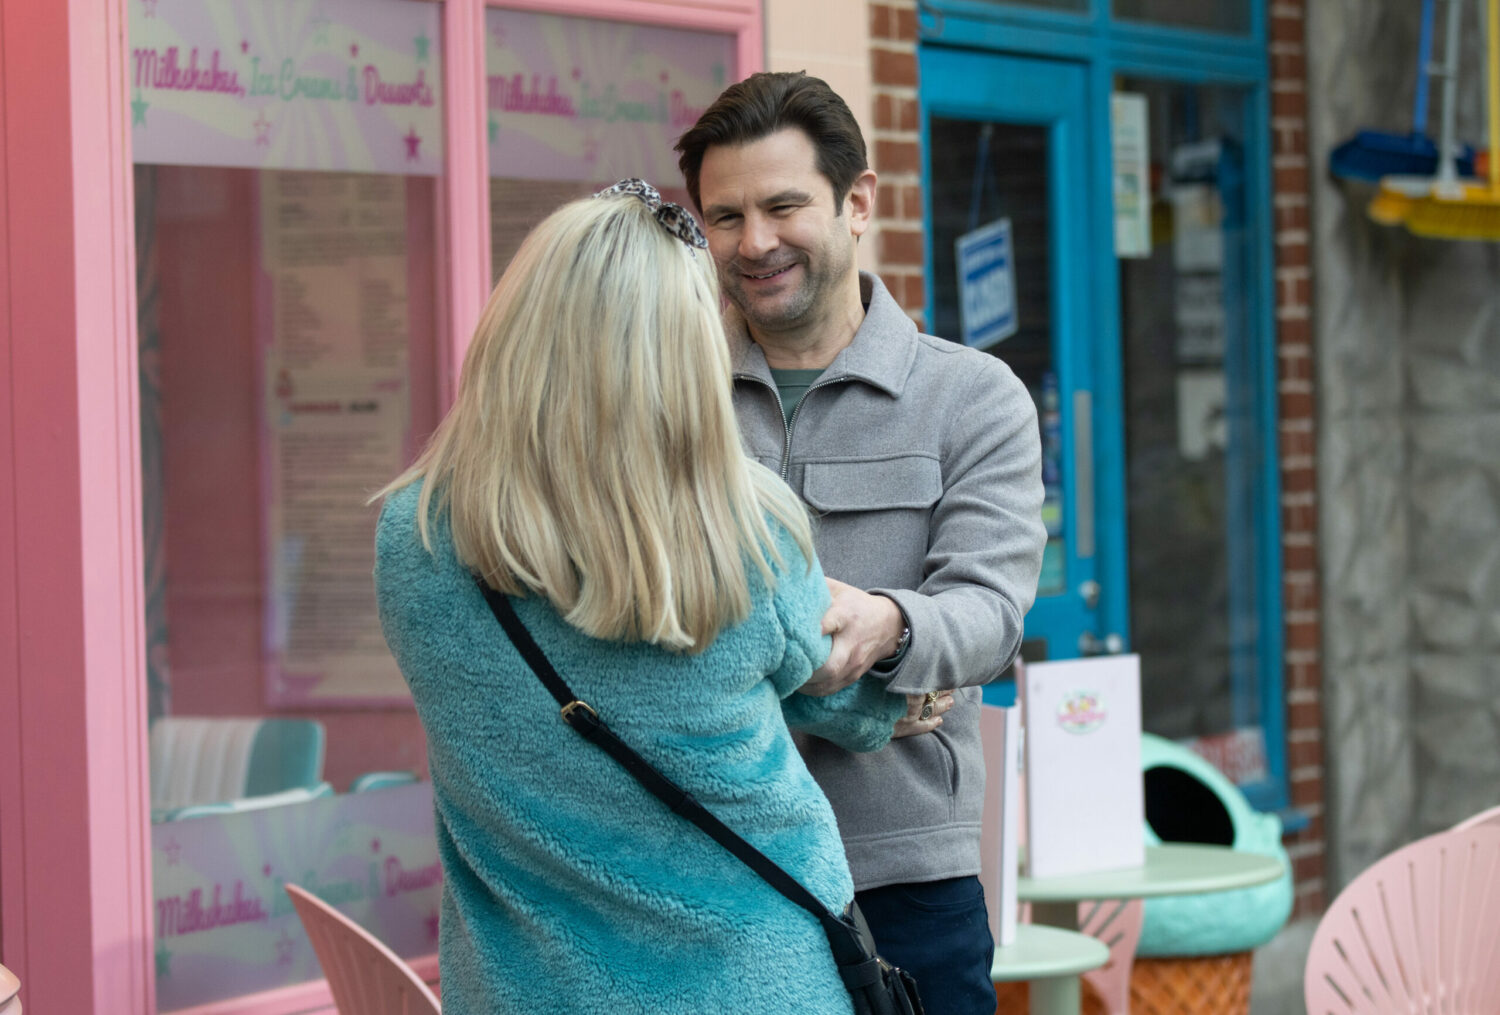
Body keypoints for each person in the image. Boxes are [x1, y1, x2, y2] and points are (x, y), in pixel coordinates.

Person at [372, 181, 909, 1015]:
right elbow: (827, 687)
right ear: (685, 350)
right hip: (751, 987)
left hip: (522, 990)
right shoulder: (750, 533)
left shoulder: (418, 537)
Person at [677, 72, 1047, 1015]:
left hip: (900, 878)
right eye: (724, 217)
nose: (754, 242)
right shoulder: (667, 399)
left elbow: (990, 614)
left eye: (782, 205)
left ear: (857, 203)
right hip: (705, 865)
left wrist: (885, 623)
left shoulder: (973, 397)